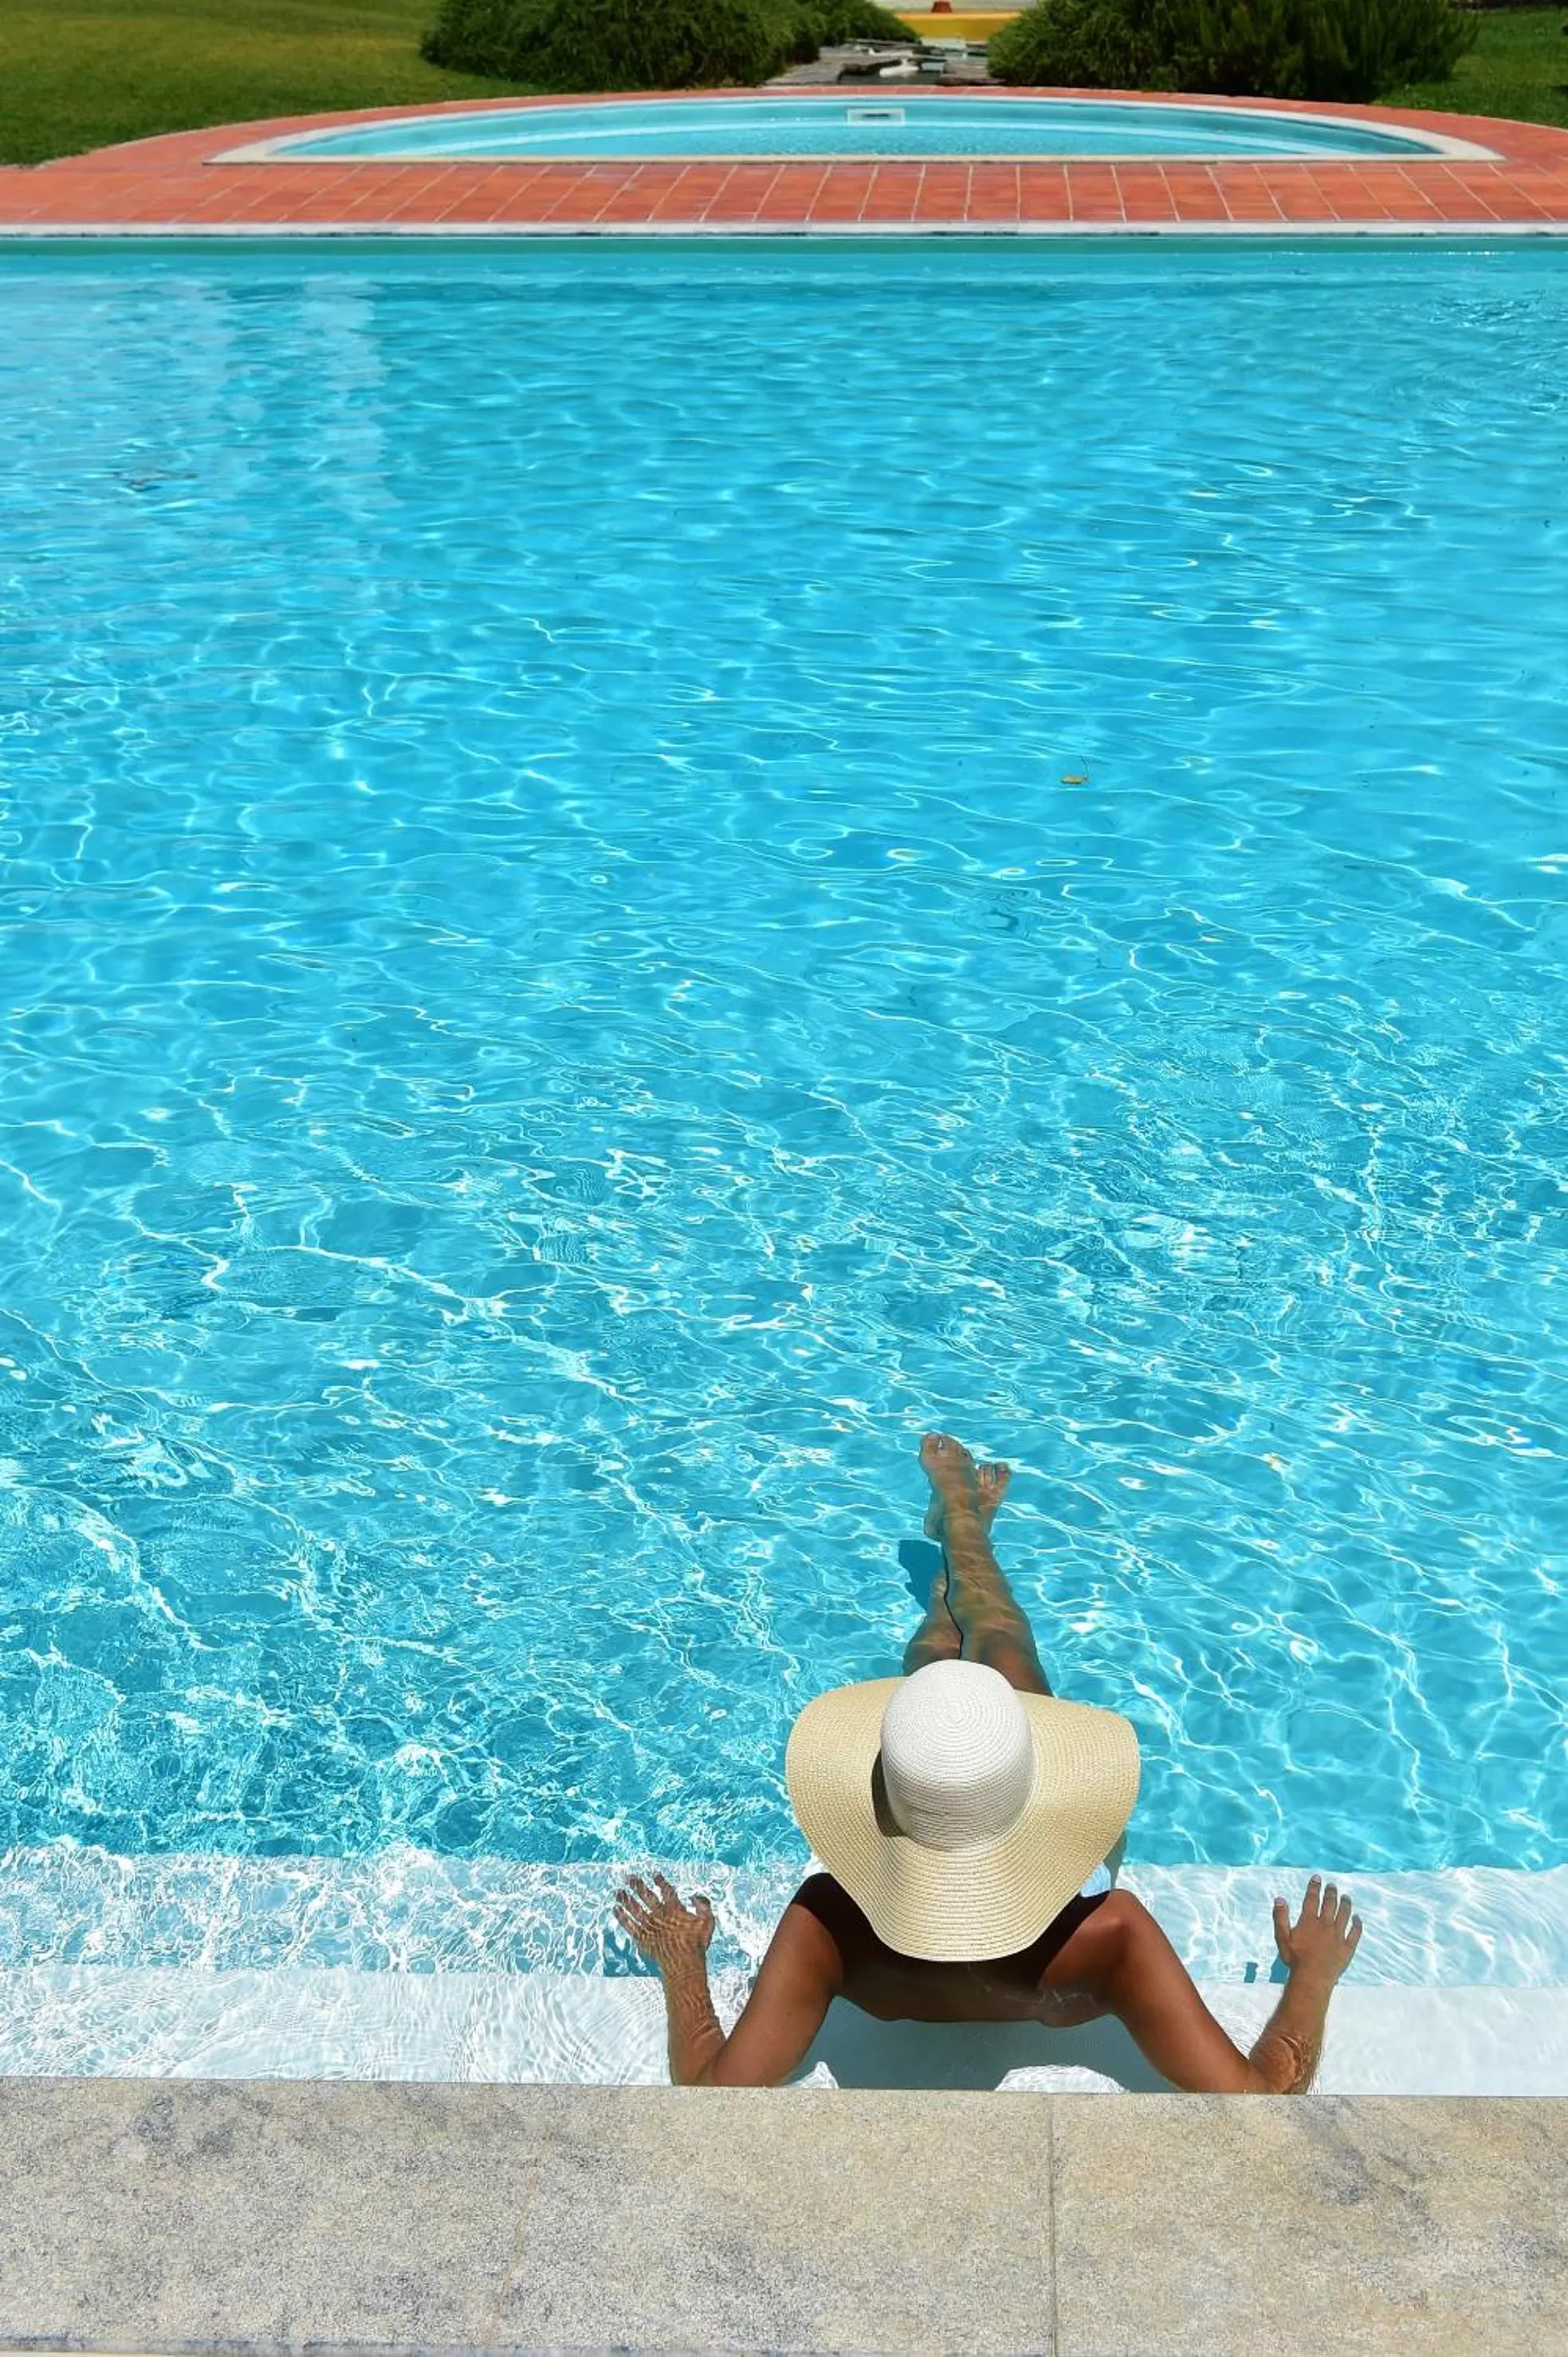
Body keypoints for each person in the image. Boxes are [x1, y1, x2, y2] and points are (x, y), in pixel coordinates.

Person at [614, 1432, 1362, 2092]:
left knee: (935, 1687)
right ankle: (965, 1529)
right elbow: (1260, 2094)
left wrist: (683, 1962)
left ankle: (955, 1544)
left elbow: (711, 2085)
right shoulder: (1111, 1937)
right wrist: (1314, 1974)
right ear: (1041, 1803)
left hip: (885, 1884)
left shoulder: (827, 1924)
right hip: (1052, 1904)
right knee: (1000, 1644)